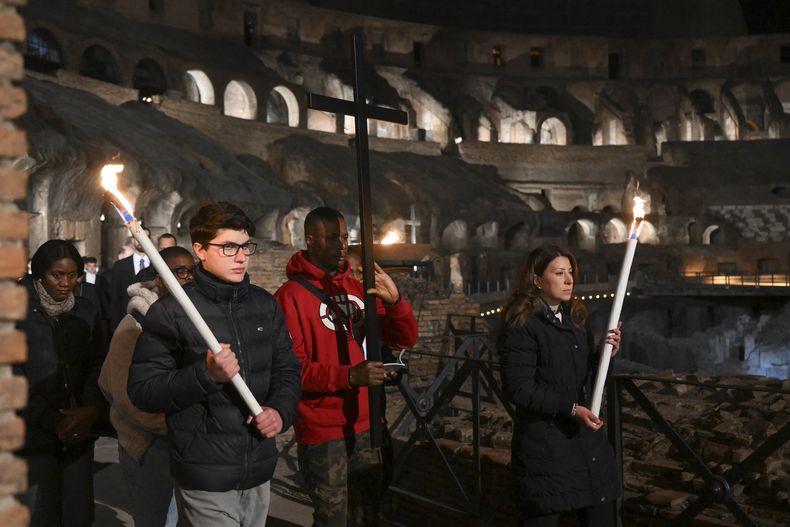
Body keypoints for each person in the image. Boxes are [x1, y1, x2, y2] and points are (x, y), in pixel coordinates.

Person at [128, 202, 301, 527]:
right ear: (200, 250)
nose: (241, 256)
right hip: (203, 472)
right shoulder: (171, 312)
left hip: (259, 467)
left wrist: (280, 411)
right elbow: (143, 391)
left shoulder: (265, 305)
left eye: (245, 246)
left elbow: (287, 370)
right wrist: (205, 375)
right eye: (228, 247)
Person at [274, 207, 418, 527]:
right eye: (331, 238)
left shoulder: (354, 287)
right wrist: (350, 375)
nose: (341, 245)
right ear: (310, 240)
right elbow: (292, 369)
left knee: (369, 513)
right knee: (333, 518)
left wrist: (395, 303)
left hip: (369, 421)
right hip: (325, 430)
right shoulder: (290, 297)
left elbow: (406, 337)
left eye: (344, 237)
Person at [496, 244, 622, 527]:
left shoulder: (575, 318)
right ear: (537, 280)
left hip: (586, 446)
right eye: (559, 272)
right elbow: (518, 388)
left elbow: (584, 376)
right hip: (547, 450)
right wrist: (571, 408)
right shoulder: (522, 324)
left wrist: (604, 357)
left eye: (570, 272)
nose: (569, 280)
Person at [99, 246, 196, 527]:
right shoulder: (135, 325)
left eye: (192, 271)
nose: (188, 278)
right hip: (148, 446)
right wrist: (183, 425)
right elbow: (119, 392)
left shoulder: (194, 322)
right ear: (159, 279)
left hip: (187, 444)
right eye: (179, 271)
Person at [15, 240, 107, 527]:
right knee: (40, 513)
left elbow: (98, 362)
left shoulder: (86, 310)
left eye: (72, 275)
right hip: (33, 431)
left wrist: (90, 409)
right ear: (40, 273)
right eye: (57, 275)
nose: (66, 283)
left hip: (78, 429)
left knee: (77, 515)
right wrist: (53, 419)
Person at [100, 228, 155, 333]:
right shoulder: (120, 266)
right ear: (133, 240)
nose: (141, 241)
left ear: (149, 240)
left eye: (145, 237)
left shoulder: (157, 266)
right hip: (126, 323)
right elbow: (115, 298)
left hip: (151, 324)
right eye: (138, 238)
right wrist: (115, 327)